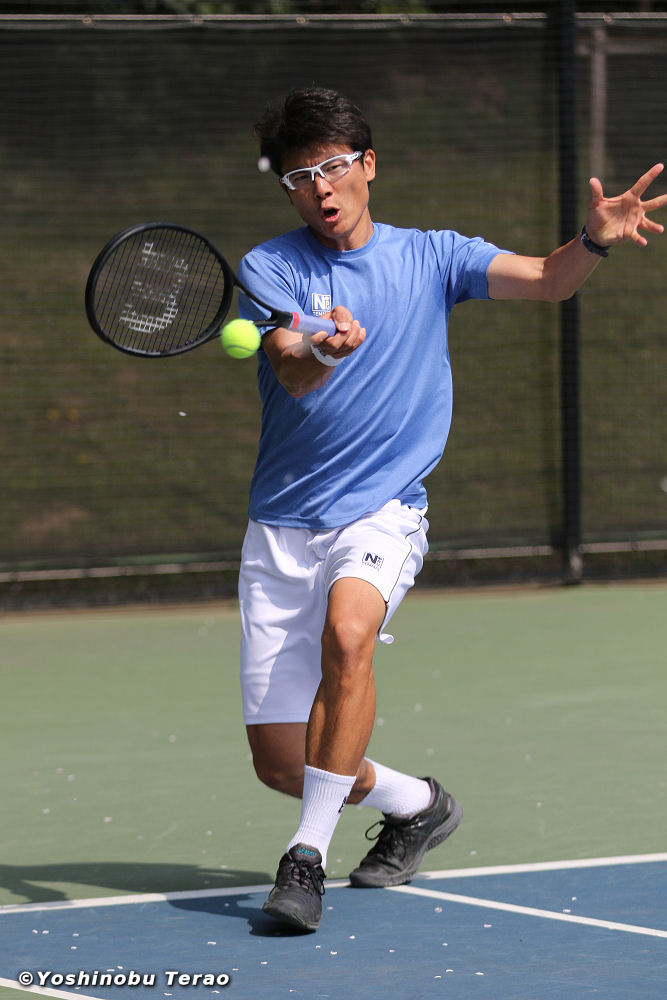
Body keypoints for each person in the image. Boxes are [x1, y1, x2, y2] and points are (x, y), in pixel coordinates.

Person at [236, 86, 666, 933]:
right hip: (280, 526)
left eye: (332, 167)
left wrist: (592, 241)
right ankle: (416, 804)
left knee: (348, 637)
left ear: (367, 165)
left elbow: (547, 280)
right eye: (297, 177)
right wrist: (324, 349)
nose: (318, 188)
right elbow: (287, 363)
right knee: (283, 763)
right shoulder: (271, 267)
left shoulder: (433, 256)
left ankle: (304, 860)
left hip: (382, 511)